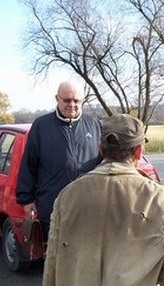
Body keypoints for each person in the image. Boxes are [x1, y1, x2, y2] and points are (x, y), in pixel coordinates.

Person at [42, 114, 164, 286]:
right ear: (139, 152)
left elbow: (52, 261)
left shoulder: (68, 195)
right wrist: (146, 273)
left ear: (100, 149)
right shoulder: (160, 197)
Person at [16, 80, 102, 240]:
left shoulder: (95, 125)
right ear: (57, 99)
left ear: (82, 100)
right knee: (54, 257)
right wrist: (26, 199)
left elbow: (106, 164)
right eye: (67, 100)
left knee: (87, 258)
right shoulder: (41, 126)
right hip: (52, 207)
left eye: (76, 100)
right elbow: (29, 164)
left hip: (88, 207)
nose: (72, 104)